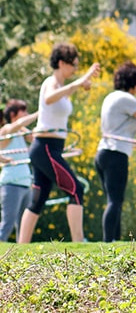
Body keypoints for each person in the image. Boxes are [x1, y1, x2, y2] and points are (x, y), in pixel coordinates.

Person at [19, 43, 100, 243]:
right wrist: (79, 82)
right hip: (45, 147)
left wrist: (82, 84)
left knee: (38, 199)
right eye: (73, 65)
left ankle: (21, 246)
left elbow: (61, 98)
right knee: (76, 189)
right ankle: (78, 241)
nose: (75, 70)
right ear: (62, 63)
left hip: (50, 148)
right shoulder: (49, 83)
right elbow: (48, 99)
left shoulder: (62, 87)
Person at [94, 61, 136, 242]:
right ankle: (109, 243)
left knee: (113, 200)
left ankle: (114, 240)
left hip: (103, 152)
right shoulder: (126, 98)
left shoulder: (110, 97)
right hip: (116, 153)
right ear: (135, 84)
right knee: (115, 201)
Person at [1, 100, 38, 242]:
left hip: (25, 184)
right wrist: (40, 113)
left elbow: (35, 139)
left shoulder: (21, 132)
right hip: (11, 184)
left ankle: (21, 257)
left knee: (23, 228)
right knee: (7, 225)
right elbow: (17, 125)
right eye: (24, 111)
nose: (27, 114)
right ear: (13, 114)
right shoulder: (6, 131)